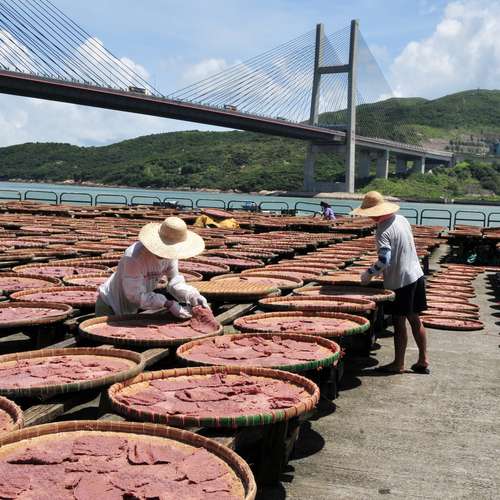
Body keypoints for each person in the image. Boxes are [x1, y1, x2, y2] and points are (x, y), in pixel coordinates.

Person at [352, 191, 429, 374]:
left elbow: (384, 260)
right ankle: (423, 359)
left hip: (400, 282)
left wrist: (368, 274)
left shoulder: (383, 230)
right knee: (415, 319)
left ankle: (398, 364)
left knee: (399, 322)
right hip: (416, 274)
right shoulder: (401, 219)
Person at [96, 216, 209, 318]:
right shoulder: (134, 257)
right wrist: (167, 303)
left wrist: (192, 296)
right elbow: (134, 295)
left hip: (132, 307)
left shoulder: (171, 255)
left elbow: (175, 282)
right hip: (111, 304)